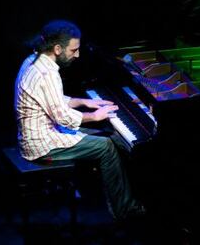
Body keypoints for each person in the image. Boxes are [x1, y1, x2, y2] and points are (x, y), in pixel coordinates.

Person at [14, 19, 145, 221]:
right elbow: (62, 117)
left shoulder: (35, 61)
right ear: (58, 48)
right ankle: (125, 210)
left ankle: (131, 189)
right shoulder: (46, 73)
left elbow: (53, 100)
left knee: (111, 135)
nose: (78, 54)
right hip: (41, 145)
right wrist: (94, 116)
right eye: (74, 50)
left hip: (44, 133)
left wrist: (84, 102)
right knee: (106, 147)